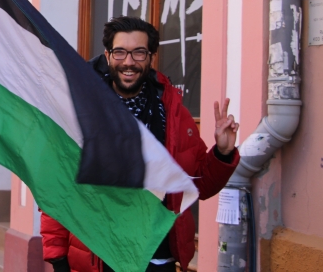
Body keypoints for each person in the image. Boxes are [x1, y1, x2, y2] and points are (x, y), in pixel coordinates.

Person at [41, 17, 240, 272]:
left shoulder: (171, 113)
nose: (128, 62)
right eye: (120, 52)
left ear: (151, 57)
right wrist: (58, 257)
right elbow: (58, 185)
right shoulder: (81, 109)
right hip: (100, 257)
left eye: (139, 53)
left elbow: (199, 183)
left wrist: (223, 152)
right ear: (108, 55)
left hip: (157, 258)